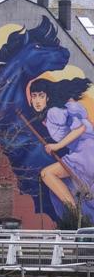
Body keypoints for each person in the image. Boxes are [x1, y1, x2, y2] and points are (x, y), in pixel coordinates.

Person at [31, 77, 94, 210]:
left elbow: (80, 128)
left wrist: (56, 146)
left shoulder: (54, 112)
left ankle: (74, 212)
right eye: (34, 96)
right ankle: (76, 212)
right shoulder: (57, 111)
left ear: (47, 98)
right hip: (86, 151)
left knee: (47, 174)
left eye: (41, 96)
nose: (37, 101)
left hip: (86, 152)